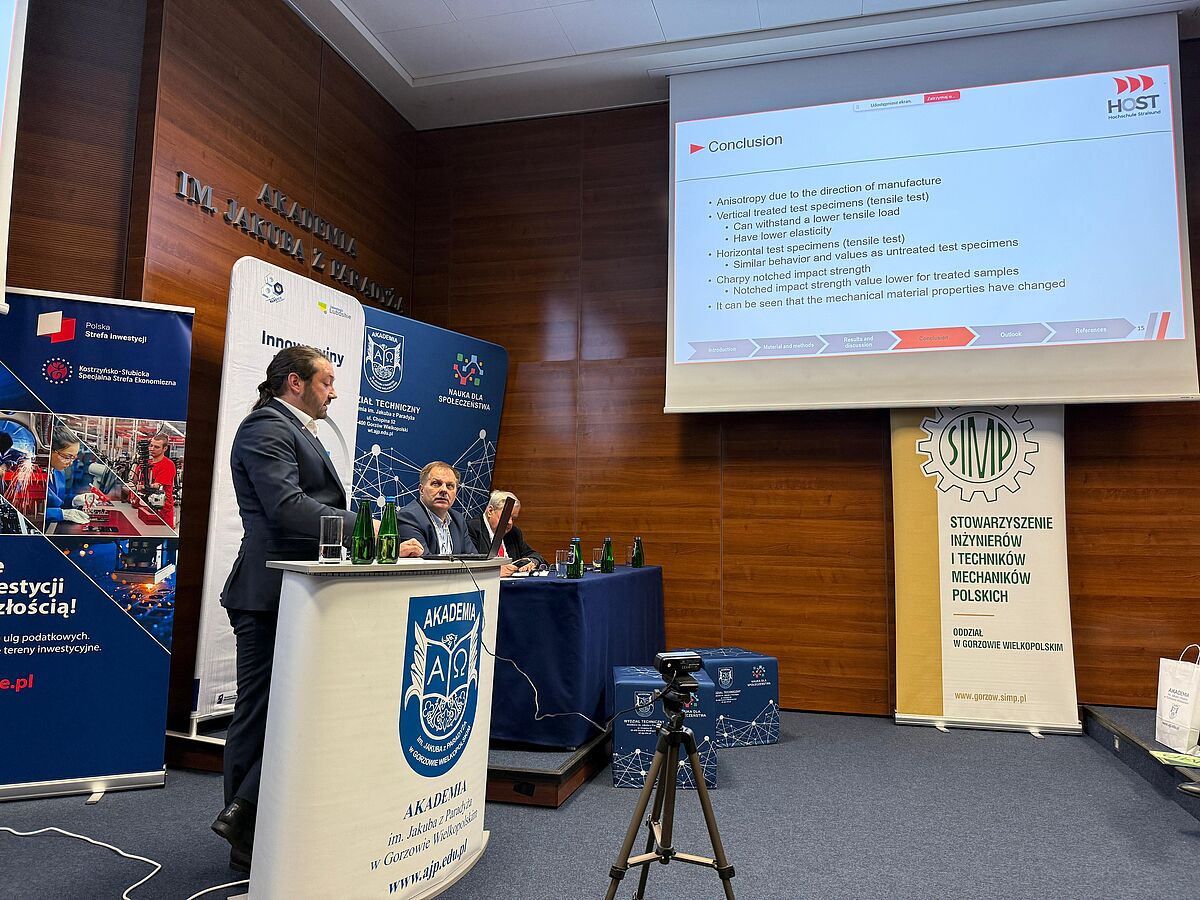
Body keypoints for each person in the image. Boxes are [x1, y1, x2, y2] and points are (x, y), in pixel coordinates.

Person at [212, 346, 422, 872]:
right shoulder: (266, 427)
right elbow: (288, 509)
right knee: (260, 713)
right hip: (268, 595)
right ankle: (243, 839)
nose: (334, 391)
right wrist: (373, 529)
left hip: (305, 591)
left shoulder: (297, 429)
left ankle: (256, 818)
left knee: (296, 708)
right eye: (326, 381)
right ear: (295, 383)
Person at [396, 461, 475, 556]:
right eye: (436, 483)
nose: (444, 490)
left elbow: (473, 557)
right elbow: (424, 561)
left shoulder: (458, 519)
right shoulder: (408, 517)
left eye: (449, 486)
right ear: (421, 490)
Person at [467, 490, 545, 576]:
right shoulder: (471, 529)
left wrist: (531, 562)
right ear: (490, 511)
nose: (510, 522)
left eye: (513, 518)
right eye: (506, 516)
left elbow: (536, 555)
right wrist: (495, 571)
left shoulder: (514, 532)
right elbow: (471, 566)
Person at [127, 433, 177, 528]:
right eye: (151, 445)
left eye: (156, 447)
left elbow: (156, 486)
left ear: (165, 449)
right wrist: (136, 464)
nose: (152, 449)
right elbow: (134, 480)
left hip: (161, 510)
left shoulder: (168, 465)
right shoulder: (146, 463)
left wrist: (138, 487)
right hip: (143, 508)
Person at [44, 424, 90, 526]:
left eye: (74, 457)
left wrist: (74, 500)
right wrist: (62, 514)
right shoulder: (34, 475)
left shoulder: (59, 472)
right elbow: (29, 513)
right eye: (67, 457)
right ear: (50, 451)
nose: (71, 462)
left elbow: (57, 500)